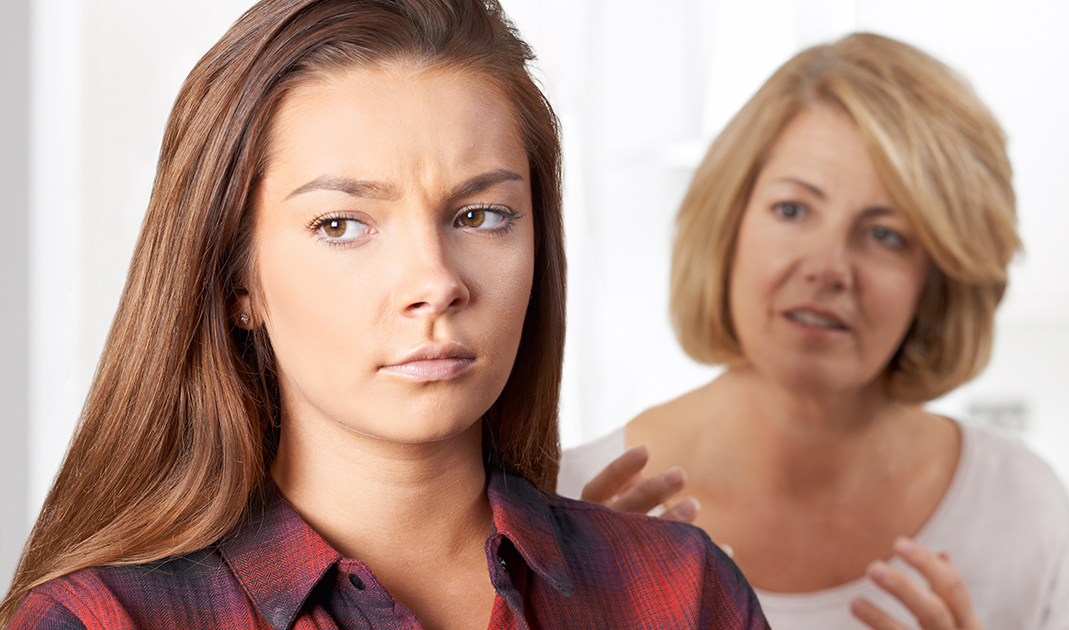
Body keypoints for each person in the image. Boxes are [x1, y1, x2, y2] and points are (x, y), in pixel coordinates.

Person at [0, 1, 768, 628]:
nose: (435, 282)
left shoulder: (679, 592)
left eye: (481, 216)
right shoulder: (101, 621)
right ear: (238, 282)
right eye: (342, 225)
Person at [559, 33, 1069, 630]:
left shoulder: (1023, 514)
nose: (827, 267)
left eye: (885, 234)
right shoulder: (571, 505)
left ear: (937, 282)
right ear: (729, 226)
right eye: (792, 210)